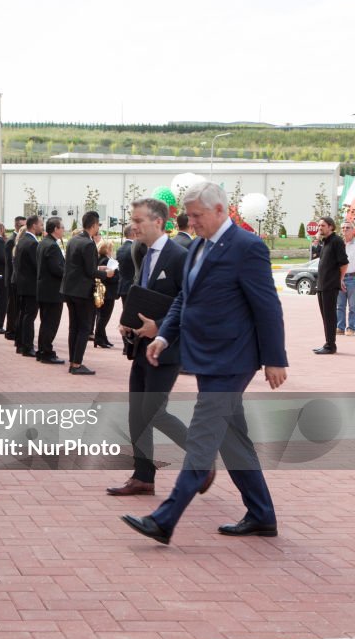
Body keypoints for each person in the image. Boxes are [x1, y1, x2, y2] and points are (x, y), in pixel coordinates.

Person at [123, 182, 288, 544]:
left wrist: (275, 359)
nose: (190, 222)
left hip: (234, 359)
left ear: (219, 211)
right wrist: (165, 336)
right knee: (232, 439)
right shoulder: (198, 245)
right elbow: (185, 297)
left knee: (201, 437)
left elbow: (267, 306)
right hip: (209, 357)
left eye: (197, 215)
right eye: (190, 215)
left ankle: (164, 520)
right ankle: (261, 514)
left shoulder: (248, 247)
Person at [107, 198, 197, 497]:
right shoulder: (145, 255)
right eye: (132, 220)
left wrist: (159, 326)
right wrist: (129, 322)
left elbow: (192, 304)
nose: (133, 225)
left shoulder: (180, 256)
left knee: (154, 411)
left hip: (167, 348)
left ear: (158, 222)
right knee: (137, 413)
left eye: (138, 220)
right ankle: (143, 476)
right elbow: (145, 296)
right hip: (141, 347)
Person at [60, 211, 114, 375]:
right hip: (82, 292)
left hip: (70, 290)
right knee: (83, 328)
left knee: (73, 327)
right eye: (98, 225)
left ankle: (73, 361)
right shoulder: (89, 244)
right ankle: (76, 364)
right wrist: (106, 274)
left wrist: (99, 268)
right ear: (94, 225)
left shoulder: (74, 240)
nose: (98, 227)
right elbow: (90, 271)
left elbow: (79, 266)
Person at [314, 216, 349, 354]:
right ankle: (327, 343)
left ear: (330, 227)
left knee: (330, 316)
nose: (319, 228)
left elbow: (344, 263)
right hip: (322, 285)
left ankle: (331, 346)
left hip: (330, 285)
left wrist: (339, 279)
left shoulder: (337, 241)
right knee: (325, 316)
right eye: (319, 225)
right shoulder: (326, 242)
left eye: (322, 225)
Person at [35, 216, 65, 365]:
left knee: (45, 322)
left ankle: (42, 350)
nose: (64, 230)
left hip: (44, 289)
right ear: (55, 229)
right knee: (50, 323)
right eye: (62, 227)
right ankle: (46, 352)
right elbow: (56, 269)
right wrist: (69, 272)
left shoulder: (43, 243)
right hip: (52, 291)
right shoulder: (52, 246)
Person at [14, 215, 42, 357]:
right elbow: (37, 266)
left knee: (23, 314)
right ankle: (27, 346)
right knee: (29, 316)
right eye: (40, 224)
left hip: (22, 284)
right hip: (30, 285)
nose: (42, 227)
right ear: (34, 225)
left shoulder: (22, 241)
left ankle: (20, 343)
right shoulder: (32, 243)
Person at [2, 216, 26, 343]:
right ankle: (10, 331)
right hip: (13, 279)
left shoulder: (18, 240)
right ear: (17, 226)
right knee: (12, 307)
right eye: (23, 225)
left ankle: (13, 329)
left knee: (15, 307)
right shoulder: (12, 241)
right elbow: (10, 263)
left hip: (14, 279)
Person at [92, 239, 119, 349]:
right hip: (107, 292)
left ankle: (102, 337)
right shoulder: (104, 261)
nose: (112, 250)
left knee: (102, 316)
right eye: (111, 248)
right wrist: (116, 277)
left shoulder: (103, 259)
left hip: (106, 292)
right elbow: (107, 277)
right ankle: (98, 338)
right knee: (104, 316)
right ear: (107, 249)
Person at [116, 224, 137, 356]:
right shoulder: (134, 248)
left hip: (123, 285)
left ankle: (125, 345)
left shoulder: (121, 249)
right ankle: (130, 344)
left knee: (125, 315)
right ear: (133, 234)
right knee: (132, 317)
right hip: (132, 286)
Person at [337, 220, 355, 336]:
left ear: (353, 230)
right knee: (340, 305)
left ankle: (351, 328)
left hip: (353, 278)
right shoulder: (338, 244)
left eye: (348, 227)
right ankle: (340, 327)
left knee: (353, 306)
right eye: (343, 228)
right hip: (339, 279)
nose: (345, 230)